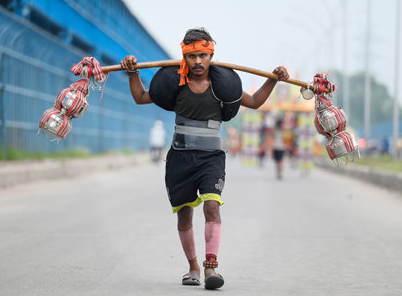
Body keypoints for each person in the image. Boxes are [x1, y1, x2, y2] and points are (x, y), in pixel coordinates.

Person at [120, 27, 289, 290]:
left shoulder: (224, 87)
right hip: (180, 158)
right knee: (184, 215)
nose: (198, 62)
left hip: (211, 158)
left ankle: (211, 268)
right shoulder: (174, 84)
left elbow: (254, 101)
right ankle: (193, 267)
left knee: (212, 206)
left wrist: (274, 80)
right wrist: (133, 73)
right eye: (192, 56)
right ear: (184, 57)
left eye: (203, 55)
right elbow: (141, 97)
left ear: (211, 56)